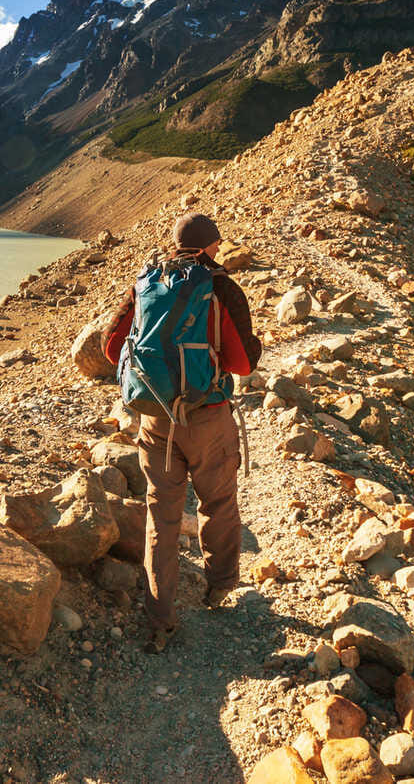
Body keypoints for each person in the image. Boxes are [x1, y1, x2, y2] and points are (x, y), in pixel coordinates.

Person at [102, 212, 261, 652]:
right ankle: (220, 586)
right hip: (208, 418)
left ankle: (160, 617)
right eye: (217, 245)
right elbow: (243, 364)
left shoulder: (146, 283)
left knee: (162, 516)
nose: (220, 250)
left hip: (156, 420)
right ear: (209, 246)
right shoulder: (221, 288)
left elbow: (112, 348)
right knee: (218, 503)